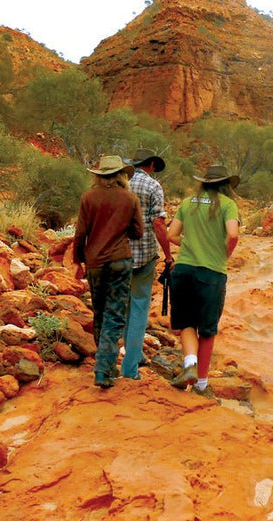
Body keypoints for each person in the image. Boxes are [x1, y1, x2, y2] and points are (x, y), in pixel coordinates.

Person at [167, 165, 239, 398]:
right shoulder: (228, 205)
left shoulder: (188, 203)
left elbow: (171, 235)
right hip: (212, 273)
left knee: (186, 323)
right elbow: (233, 234)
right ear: (225, 184)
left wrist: (189, 246)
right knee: (207, 330)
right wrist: (223, 254)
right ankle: (201, 385)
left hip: (184, 269)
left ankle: (189, 365)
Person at [73, 155, 143, 388]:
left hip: (95, 263)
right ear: (122, 175)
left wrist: (78, 260)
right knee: (115, 315)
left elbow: (80, 233)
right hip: (120, 261)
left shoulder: (88, 198)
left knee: (100, 313)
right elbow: (138, 233)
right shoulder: (130, 199)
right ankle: (104, 368)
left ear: (99, 175)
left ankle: (105, 365)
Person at [121, 148, 174, 380]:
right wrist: (168, 255)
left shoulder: (121, 184)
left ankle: (136, 354)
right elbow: (159, 225)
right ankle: (130, 368)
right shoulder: (153, 187)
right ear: (151, 165)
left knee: (124, 307)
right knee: (140, 308)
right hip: (144, 256)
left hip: (119, 255)